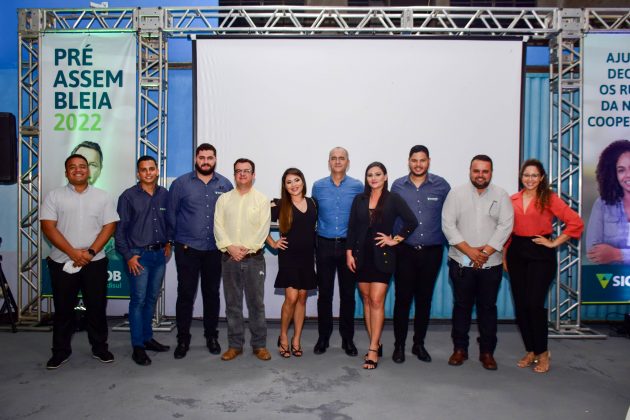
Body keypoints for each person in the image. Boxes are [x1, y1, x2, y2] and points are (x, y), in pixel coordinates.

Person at [40, 154, 119, 369]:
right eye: (72, 167)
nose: (78, 170)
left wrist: (90, 252)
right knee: (63, 309)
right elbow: (48, 227)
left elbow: (110, 226)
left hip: (95, 261)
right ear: (66, 172)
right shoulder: (54, 196)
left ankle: (100, 348)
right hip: (62, 261)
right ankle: (60, 351)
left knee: (96, 307)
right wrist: (72, 252)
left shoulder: (102, 196)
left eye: (82, 166)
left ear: (88, 171)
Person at [505, 159, 583, 373]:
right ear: (521, 177)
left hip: (540, 254)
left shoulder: (549, 198)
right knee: (521, 305)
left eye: (534, 175)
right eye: (526, 175)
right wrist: (504, 257)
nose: (529, 179)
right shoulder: (512, 199)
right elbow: (507, 231)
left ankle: (543, 352)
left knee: (534, 304)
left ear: (541, 178)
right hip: (516, 253)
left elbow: (575, 222)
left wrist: (554, 242)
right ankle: (531, 350)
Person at [441, 154, 513, 370]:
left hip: (491, 263)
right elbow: (448, 225)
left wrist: (486, 251)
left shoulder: (501, 195)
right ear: (470, 171)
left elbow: (505, 226)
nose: (480, 175)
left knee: (487, 308)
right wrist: (471, 251)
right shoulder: (456, 194)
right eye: (476, 171)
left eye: (485, 171)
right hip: (462, 262)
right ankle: (459, 349)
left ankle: (487, 352)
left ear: (491, 173)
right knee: (461, 307)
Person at [346, 162, 418, 369]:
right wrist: (349, 253)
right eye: (370, 175)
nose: (374, 178)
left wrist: (395, 239)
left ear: (385, 177)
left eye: (378, 174)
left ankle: (372, 350)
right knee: (367, 300)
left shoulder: (393, 199)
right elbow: (352, 228)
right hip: (361, 256)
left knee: (377, 300)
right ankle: (375, 342)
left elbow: (411, 221)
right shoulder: (359, 199)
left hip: (383, 256)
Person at [167, 143, 233, 359]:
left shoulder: (225, 184)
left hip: (215, 249)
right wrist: (177, 240)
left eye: (210, 158)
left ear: (215, 159)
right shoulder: (181, 184)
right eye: (202, 158)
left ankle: (211, 336)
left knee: (212, 294)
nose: (206, 161)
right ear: (196, 159)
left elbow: (230, 216)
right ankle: (183, 339)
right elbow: (171, 214)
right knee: (186, 294)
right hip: (187, 248)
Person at [390, 145, 451, 364]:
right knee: (402, 300)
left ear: (428, 161)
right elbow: (391, 217)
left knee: (424, 300)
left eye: (422, 160)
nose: (418, 164)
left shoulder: (441, 186)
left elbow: (450, 217)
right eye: (414, 160)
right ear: (409, 161)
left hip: (432, 252)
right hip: (404, 252)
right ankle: (399, 346)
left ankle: (419, 345)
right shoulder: (397, 186)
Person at [115, 156, 172, 366]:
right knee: (138, 301)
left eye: (151, 169)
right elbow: (119, 231)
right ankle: (137, 346)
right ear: (138, 173)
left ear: (157, 171)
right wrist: (128, 256)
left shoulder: (165, 194)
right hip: (138, 256)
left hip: (159, 255)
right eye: (143, 169)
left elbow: (169, 222)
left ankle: (147, 338)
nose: (148, 173)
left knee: (151, 299)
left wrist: (169, 242)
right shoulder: (128, 197)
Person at [214, 158, 272, 361]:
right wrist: (230, 248)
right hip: (229, 259)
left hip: (254, 259)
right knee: (233, 304)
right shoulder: (223, 200)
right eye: (238, 171)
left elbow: (263, 229)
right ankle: (235, 345)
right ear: (234, 175)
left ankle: (260, 345)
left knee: (256, 304)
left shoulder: (262, 200)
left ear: (253, 175)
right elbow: (218, 226)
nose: (242, 174)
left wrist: (246, 248)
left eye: (246, 171)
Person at [312, 147, 363, 356]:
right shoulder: (318, 186)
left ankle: (347, 339)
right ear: (329, 162)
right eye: (334, 158)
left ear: (348, 162)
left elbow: (362, 217)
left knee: (348, 295)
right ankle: (323, 337)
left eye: (342, 158)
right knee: (324, 294)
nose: (338, 161)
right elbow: (312, 214)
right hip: (323, 244)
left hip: (348, 247)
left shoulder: (357, 186)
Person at [266, 168, 317, 358]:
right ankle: (283, 336)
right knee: (292, 298)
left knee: (302, 298)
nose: (293, 185)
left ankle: (296, 339)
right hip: (288, 257)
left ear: (302, 181)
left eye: (296, 180)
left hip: (307, 257)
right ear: (284, 186)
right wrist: (273, 242)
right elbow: (258, 224)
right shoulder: (279, 205)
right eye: (289, 182)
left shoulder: (313, 203)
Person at [586, 139, 630, 264]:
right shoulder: (602, 204)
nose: (628, 175)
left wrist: (618, 254)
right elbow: (592, 251)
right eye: (621, 170)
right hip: (610, 275)